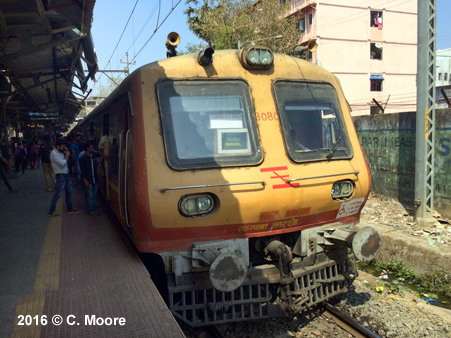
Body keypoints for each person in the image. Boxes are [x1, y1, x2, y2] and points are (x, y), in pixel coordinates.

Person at [48, 139, 80, 217]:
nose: (63, 148)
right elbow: (62, 164)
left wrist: (67, 155)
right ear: (57, 146)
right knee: (58, 194)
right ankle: (51, 211)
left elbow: (65, 163)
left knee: (69, 191)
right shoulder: (53, 154)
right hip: (60, 176)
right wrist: (66, 156)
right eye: (62, 146)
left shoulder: (61, 153)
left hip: (66, 175)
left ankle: (70, 208)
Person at [79, 141, 99, 216]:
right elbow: (82, 171)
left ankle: (93, 208)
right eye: (92, 148)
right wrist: (85, 181)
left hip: (95, 179)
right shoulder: (83, 159)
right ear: (87, 148)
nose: (93, 149)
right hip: (88, 180)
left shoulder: (94, 156)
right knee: (90, 196)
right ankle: (91, 210)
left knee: (94, 196)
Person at [98, 133, 111, 200]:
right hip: (107, 162)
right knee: (106, 178)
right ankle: (108, 195)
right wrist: (104, 156)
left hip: (113, 163)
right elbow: (100, 149)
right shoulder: (104, 138)